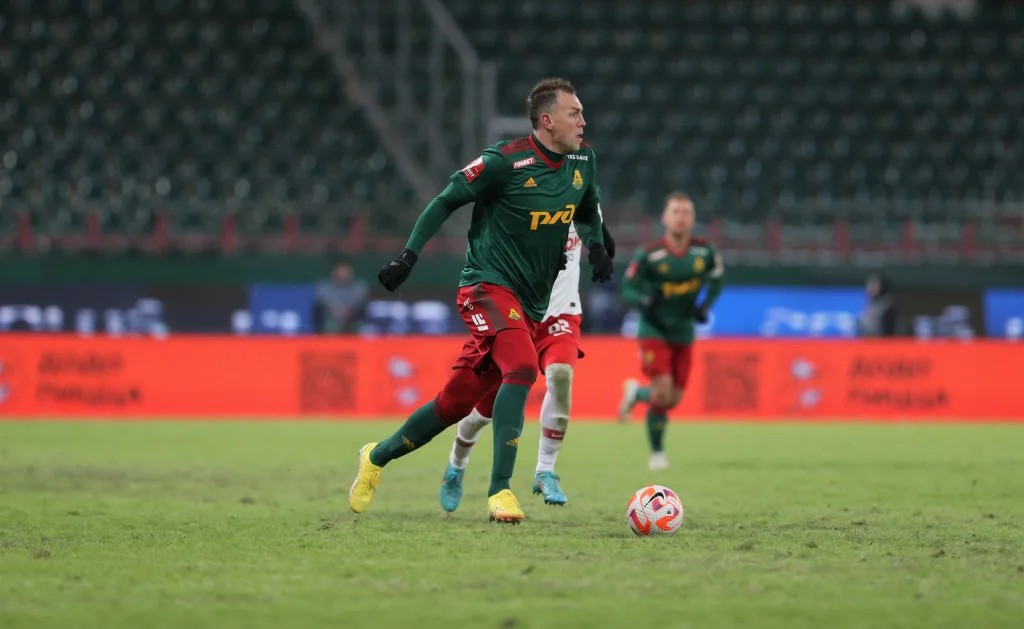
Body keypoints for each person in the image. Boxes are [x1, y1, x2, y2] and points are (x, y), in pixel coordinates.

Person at [347, 78, 614, 523]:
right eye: (575, 113)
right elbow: (444, 201)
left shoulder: (583, 159)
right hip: (485, 287)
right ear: (547, 120)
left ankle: (376, 457)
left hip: (529, 303)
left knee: (453, 405)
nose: (583, 121)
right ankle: (500, 491)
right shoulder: (503, 162)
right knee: (523, 367)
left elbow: (586, 208)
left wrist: (598, 246)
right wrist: (408, 257)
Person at [437, 220, 616, 512]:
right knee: (483, 411)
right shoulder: (522, 201)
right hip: (516, 314)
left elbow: (604, 241)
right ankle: (456, 465)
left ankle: (545, 471)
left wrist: (602, 248)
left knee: (561, 374)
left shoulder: (584, 199)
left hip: (561, 315)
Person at [617, 192, 724, 471]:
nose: (680, 218)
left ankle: (637, 394)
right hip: (653, 328)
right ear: (665, 218)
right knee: (663, 391)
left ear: (693, 219)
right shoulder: (650, 254)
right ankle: (657, 453)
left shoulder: (705, 252)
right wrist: (644, 300)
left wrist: (705, 306)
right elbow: (627, 288)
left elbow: (717, 280)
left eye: (686, 213)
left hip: (683, 330)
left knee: (673, 399)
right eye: (675, 212)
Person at [313, 259, 368, 334]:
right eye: (341, 270)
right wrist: (337, 311)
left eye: (346, 270)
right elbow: (322, 302)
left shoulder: (359, 285)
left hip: (353, 317)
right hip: (332, 317)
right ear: (334, 272)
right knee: (330, 323)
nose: (343, 273)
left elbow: (359, 302)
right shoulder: (324, 286)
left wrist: (348, 311)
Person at [858, 272, 900, 337]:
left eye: (874, 285)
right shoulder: (870, 304)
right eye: (869, 284)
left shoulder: (889, 306)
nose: (870, 288)